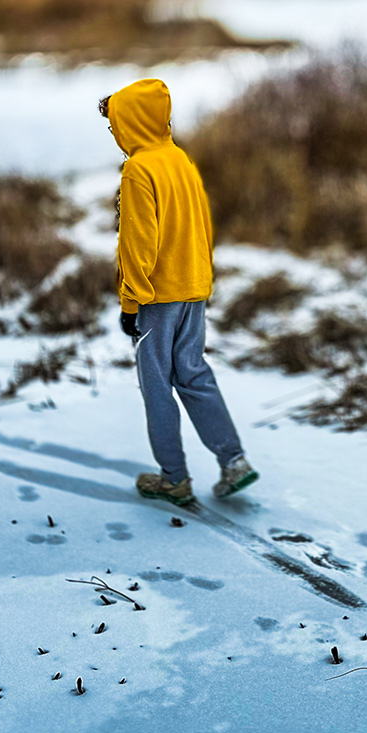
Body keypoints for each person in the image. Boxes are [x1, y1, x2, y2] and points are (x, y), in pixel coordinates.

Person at [101, 78, 257, 507]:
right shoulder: (179, 159)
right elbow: (202, 226)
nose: (114, 133)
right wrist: (202, 280)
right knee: (193, 373)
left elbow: (137, 242)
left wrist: (131, 302)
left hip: (156, 297)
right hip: (192, 289)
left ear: (132, 122)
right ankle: (234, 461)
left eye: (115, 124)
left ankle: (174, 478)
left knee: (157, 387)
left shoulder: (139, 169)